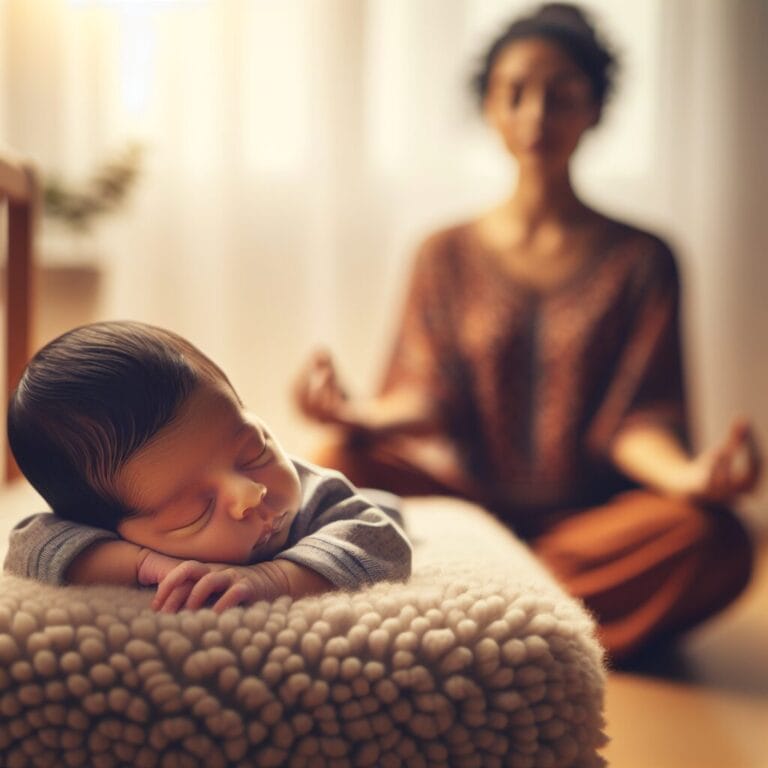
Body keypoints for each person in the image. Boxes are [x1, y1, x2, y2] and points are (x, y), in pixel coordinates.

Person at [294, 3, 762, 661]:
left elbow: (639, 418)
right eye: (515, 92)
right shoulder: (443, 252)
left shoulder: (643, 259)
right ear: (490, 106)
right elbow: (428, 393)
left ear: (595, 109)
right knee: (340, 458)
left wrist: (690, 478)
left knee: (719, 539)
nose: (536, 112)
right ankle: (542, 609)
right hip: (468, 509)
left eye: (562, 93)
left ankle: (478, 600)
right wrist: (359, 412)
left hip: (593, 526)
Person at [4, 321, 411, 613]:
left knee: (384, 509)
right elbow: (26, 547)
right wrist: (144, 565)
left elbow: (381, 542)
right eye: (194, 512)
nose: (251, 494)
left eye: (254, 451)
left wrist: (276, 578)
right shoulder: (107, 533)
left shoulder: (313, 494)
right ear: (117, 529)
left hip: (363, 509)